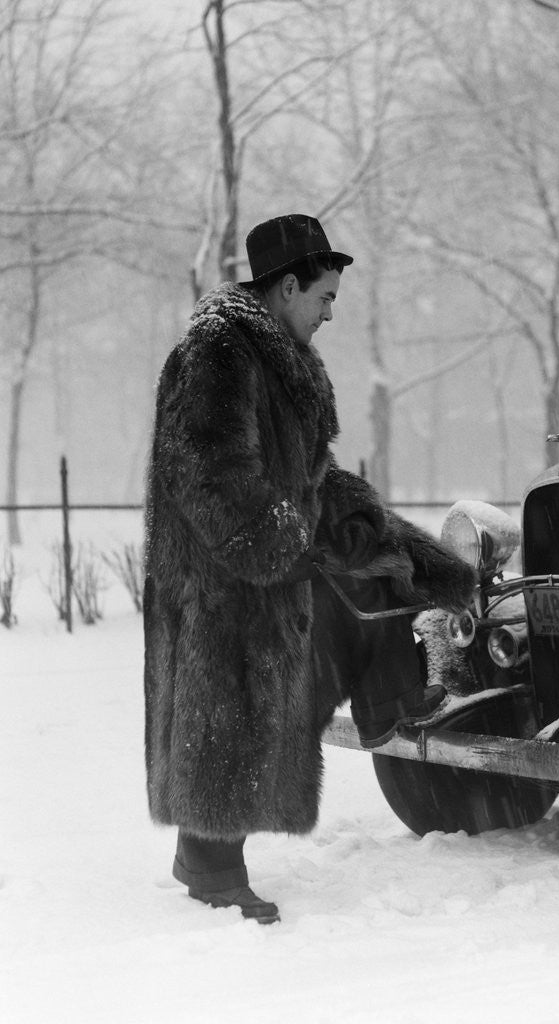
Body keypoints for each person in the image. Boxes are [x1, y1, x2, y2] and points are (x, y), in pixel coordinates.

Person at [143, 214, 476, 925]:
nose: (329, 313)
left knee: (351, 607)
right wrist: (283, 541)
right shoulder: (216, 353)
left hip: (268, 568)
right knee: (226, 709)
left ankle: (389, 696)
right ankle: (206, 865)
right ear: (287, 286)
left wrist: (374, 530)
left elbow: (311, 476)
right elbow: (205, 469)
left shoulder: (279, 360)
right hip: (217, 581)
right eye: (323, 297)